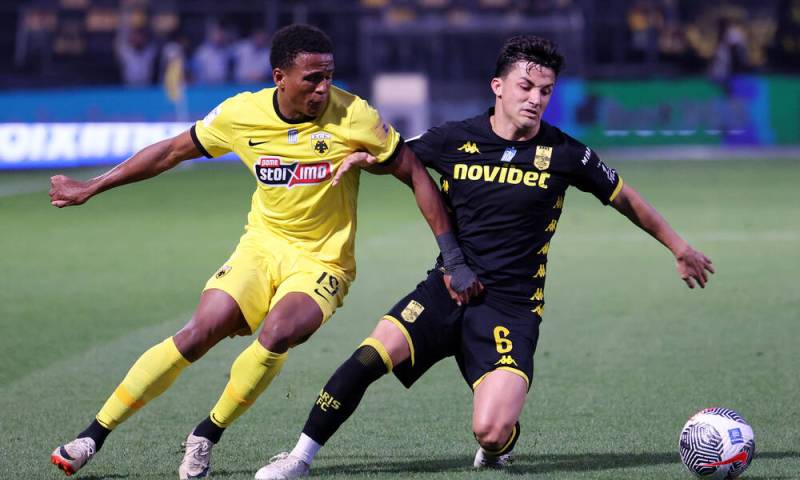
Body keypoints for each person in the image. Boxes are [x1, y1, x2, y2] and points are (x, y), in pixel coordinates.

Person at [255, 34, 714, 479]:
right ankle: (298, 458)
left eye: (545, 91)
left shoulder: (565, 153)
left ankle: (499, 447)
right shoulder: (454, 138)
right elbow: (401, 159)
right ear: (498, 86)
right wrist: (365, 158)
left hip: (511, 307)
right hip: (447, 287)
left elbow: (623, 196)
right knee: (368, 357)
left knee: (491, 431)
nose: (535, 99)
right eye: (526, 86)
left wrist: (679, 247)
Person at [48, 24, 479, 479]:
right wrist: (92, 186)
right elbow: (171, 152)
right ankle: (92, 436)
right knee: (198, 332)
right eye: (312, 78)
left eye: (329, 76)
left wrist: (452, 257)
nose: (324, 87)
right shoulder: (242, 114)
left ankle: (207, 433)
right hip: (262, 247)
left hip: (322, 260)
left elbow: (414, 173)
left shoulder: (354, 115)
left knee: (277, 332)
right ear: (280, 77)